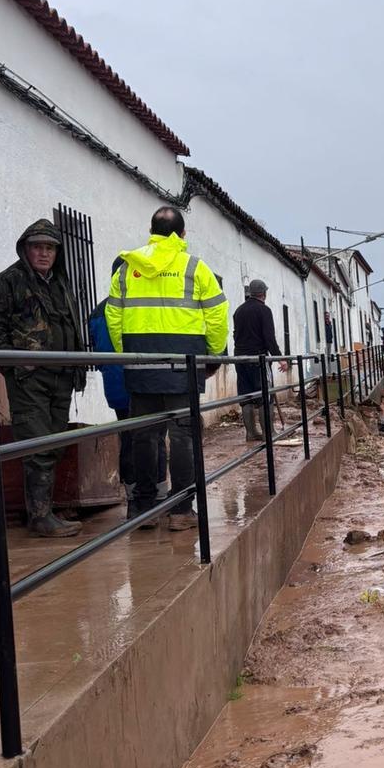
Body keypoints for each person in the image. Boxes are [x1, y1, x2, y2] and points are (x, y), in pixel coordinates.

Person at [106, 206, 228, 531]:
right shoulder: (194, 267)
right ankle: (181, 511)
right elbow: (217, 315)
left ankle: (144, 509)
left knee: (144, 436)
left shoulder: (128, 268)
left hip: (141, 365)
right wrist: (213, 352)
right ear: (182, 234)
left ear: (152, 231)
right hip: (182, 365)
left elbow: (113, 317)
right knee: (183, 436)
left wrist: (127, 354)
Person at [0, 218, 85, 537]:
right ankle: (39, 517)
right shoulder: (9, 281)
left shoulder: (61, 282)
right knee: (37, 446)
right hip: (31, 381)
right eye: (37, 247)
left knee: (56, 443)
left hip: (62, 377)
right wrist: (18, 365)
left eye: (49, 248)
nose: (43, 253)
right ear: (26, 249)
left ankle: (44, 510)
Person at [88, 259, 166, 514]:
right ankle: (156, 497)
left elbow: (98, 352)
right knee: (153, 438)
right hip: (145, 383)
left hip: (117, 386)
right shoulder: (141, 305)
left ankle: (135, 501)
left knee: (130, 439)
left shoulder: (98, 311)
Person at [232, 279, 282, 442]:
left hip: (240, 358)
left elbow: (235, 335)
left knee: (246, 396)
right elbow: (269, 338)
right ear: (264, 294)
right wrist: (280, 358)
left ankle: (251, 433)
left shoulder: (238, 311)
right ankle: (269, 433)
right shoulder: (264, 310)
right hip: (258, 359)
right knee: (265, 395)